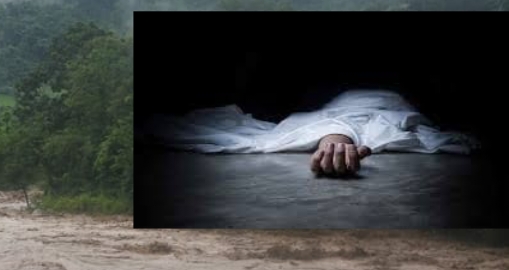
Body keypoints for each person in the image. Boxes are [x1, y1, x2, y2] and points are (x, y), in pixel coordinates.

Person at [144, 89, 480, 178]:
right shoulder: (338, 105)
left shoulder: (396, 107)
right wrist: (336, 135)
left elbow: (380, 119)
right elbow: (340, 119)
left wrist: (338, 136)